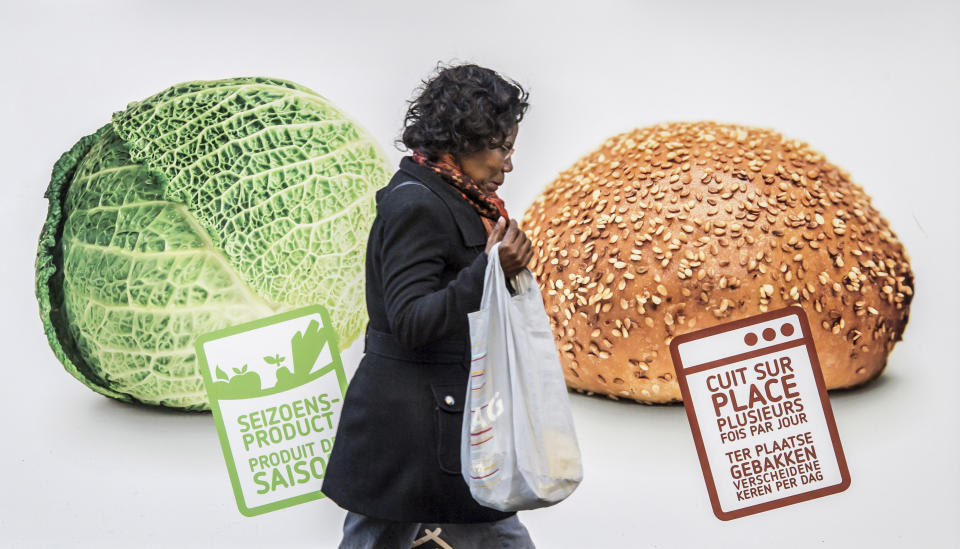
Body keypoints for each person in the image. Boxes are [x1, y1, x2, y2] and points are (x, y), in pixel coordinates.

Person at [321, 64, 536, 548]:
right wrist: (489, 269)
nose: (508, 163)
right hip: (412, 429)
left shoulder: (456, 198)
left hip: (439, 420)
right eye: (501, 147)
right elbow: (410, 320)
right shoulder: (416, 204)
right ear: (461, 141)